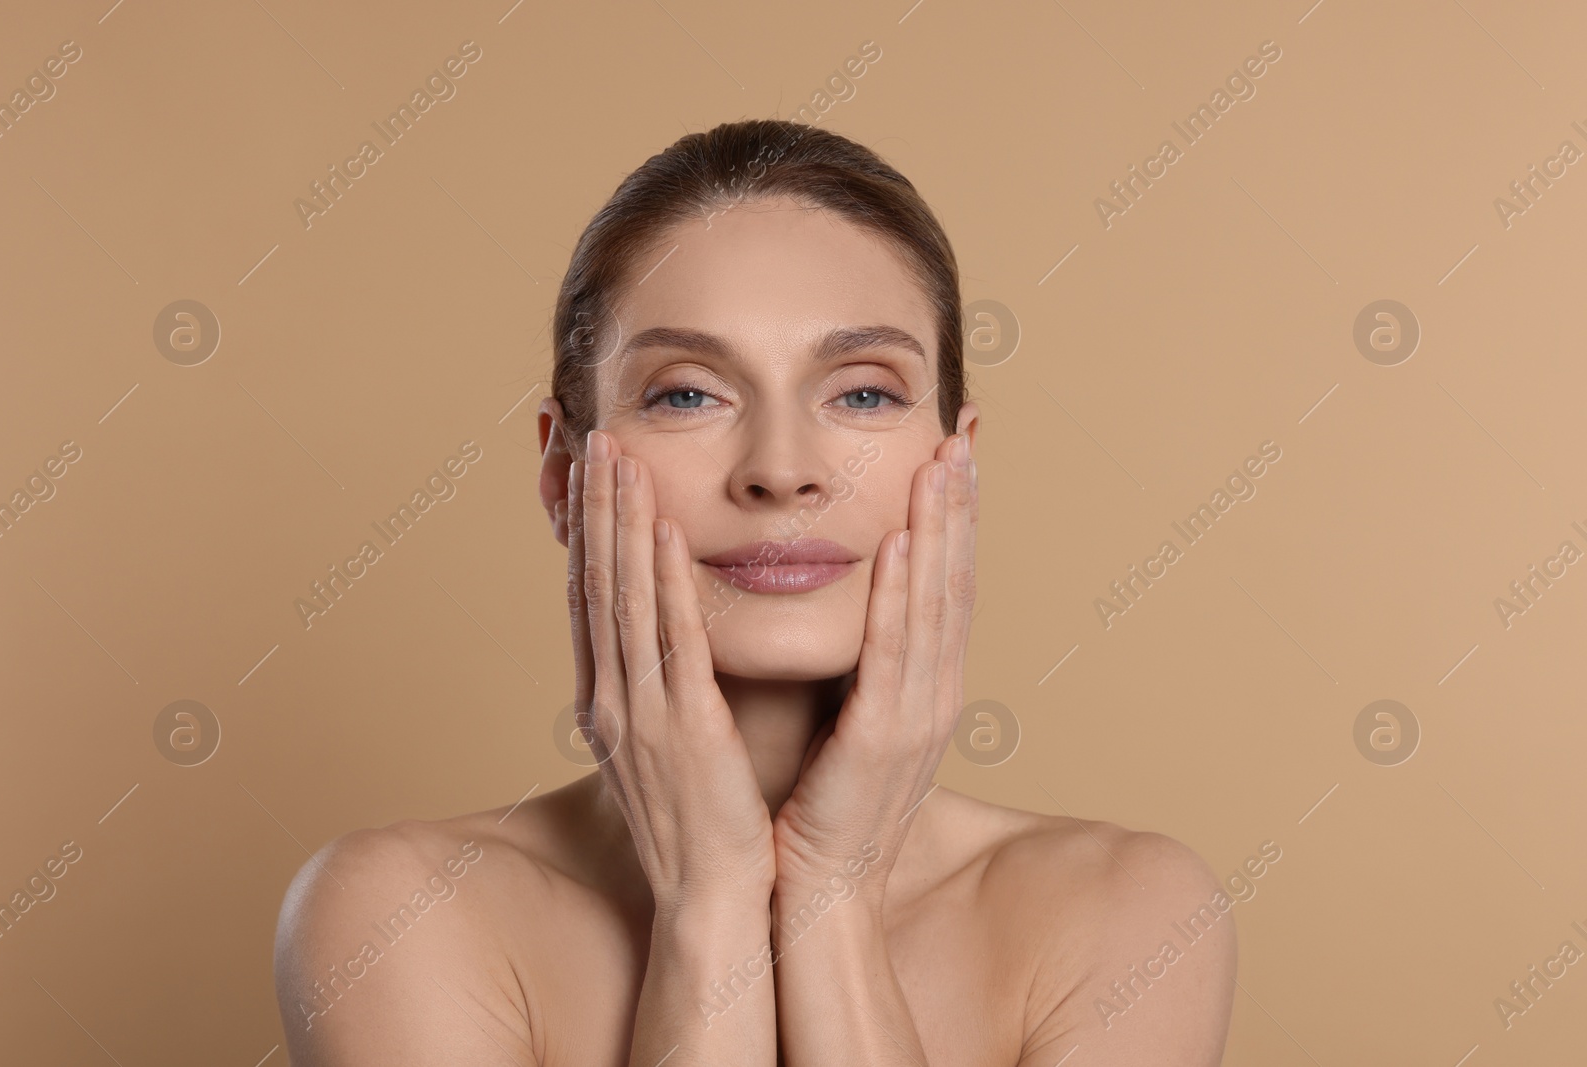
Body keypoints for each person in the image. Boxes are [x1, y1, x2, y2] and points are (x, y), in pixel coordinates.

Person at [273, 118, 1237, 1066]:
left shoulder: (1130, 915)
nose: (782, 469)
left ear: (959, 465)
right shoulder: (396, 914)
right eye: (687, 393)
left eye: (862, 391)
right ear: (564, 474)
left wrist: (832, 893)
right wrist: (712, 900)